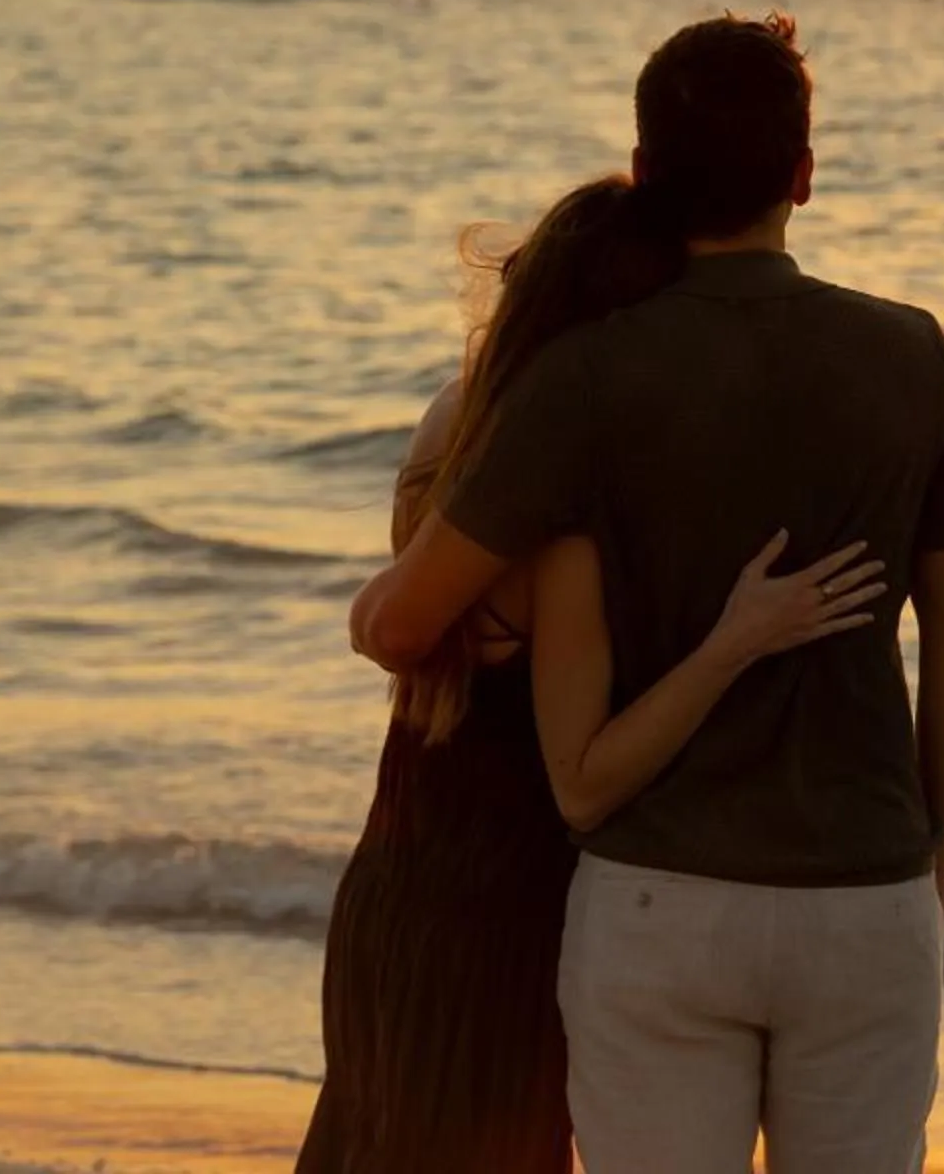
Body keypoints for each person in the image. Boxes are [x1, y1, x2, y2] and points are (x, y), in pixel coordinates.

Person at [350, 12, 944, 1174]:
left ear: (645, 173)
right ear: (804, 174)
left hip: (657, 898)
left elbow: (409, 619)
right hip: (864, 893)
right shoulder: (918, 356)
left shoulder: (582, 376)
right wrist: (931, 863)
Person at [299, 175, 889, 1174]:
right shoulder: (557, 523)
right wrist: (735, 639)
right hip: (503, 916)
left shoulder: (455, 425)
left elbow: (386, 624)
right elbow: (587, 771)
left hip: (396, 883)